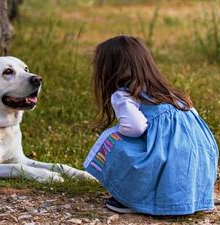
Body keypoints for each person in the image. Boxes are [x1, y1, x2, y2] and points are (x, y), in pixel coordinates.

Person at [83, 35, 218, 215]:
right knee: (167, 150)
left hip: (169, 158)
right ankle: (188, 197)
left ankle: (133, 198)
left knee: (112, 139)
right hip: (199, 159)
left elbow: (136, 127)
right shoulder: (169, 93)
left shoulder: (124, 95)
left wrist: (119, 131)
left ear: (109, 70)